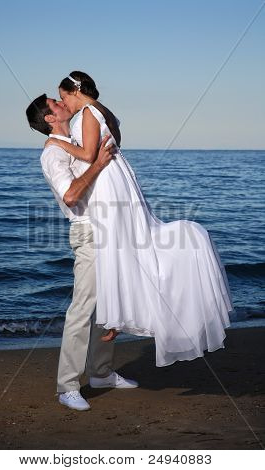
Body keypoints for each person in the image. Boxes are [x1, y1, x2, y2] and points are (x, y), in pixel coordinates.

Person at [46, 71, 234, 368]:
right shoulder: (103, 111)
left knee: (122, 247)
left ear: (76, 91)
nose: (64, 102)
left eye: (64, 96)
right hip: (116, 179)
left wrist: (56, 144)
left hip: (108, 181)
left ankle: (118, 317)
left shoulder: (87, 113)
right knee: (126, 248)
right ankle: (118, 316)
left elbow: (88, 154)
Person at [25, 94, 139, 412]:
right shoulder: (52, 154)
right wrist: (99, 165)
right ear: (50, 118)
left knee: (109, 304)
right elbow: (72, 195)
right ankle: (67, 386)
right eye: (56, 103)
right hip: (88, 231)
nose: (64, 105)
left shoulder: (77, 138)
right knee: (82, 309)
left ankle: (101, 374)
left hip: (110, 227)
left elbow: (113, 126)